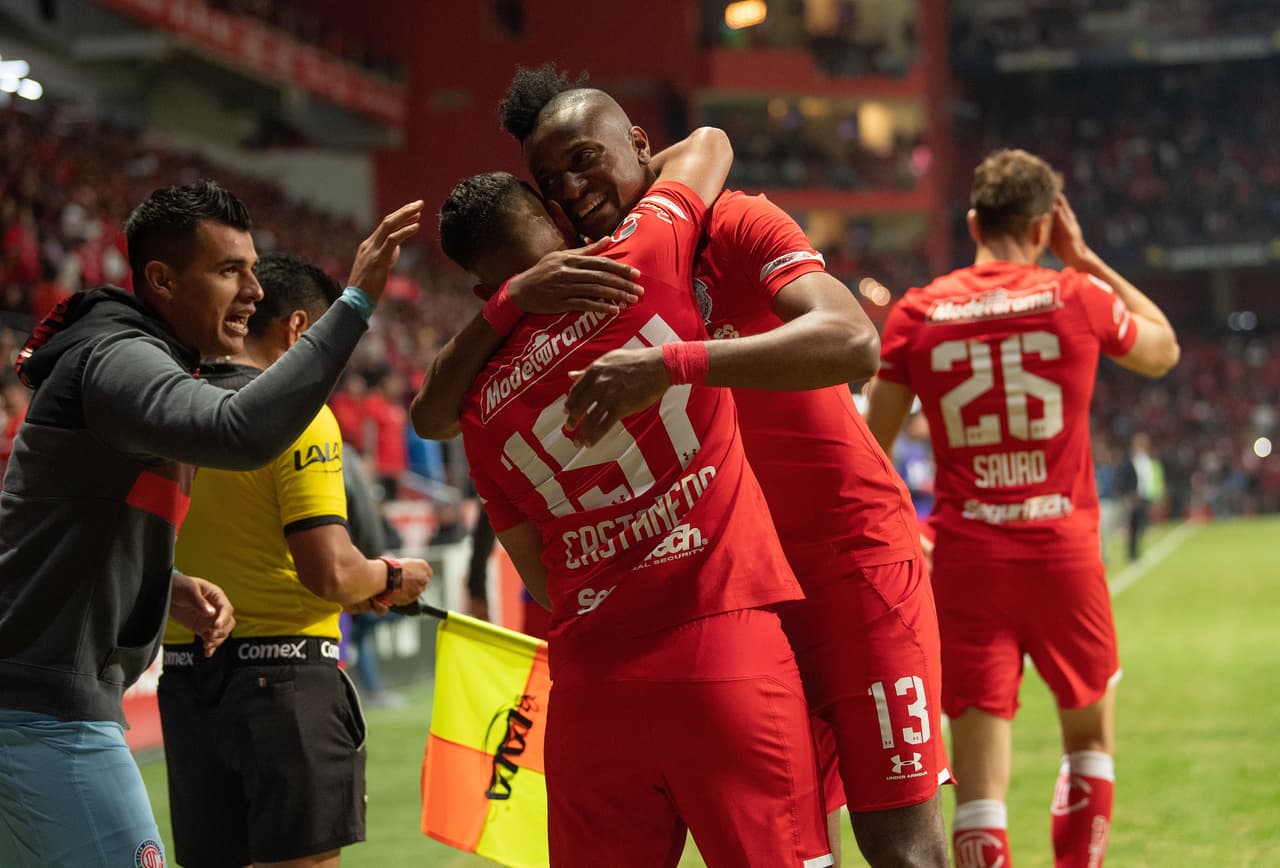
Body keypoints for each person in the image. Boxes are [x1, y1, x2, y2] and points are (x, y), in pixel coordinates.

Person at [427, 67, 949, 867]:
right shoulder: (585, 288)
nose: (572, 188)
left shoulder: (731, 222)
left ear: (642, 145)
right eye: (550, 181)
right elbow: (435, 410)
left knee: (902, 849)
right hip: (735, 600)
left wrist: (679, 361)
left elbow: (852, 340)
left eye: (585, 158)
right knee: (803, 842)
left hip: (848, 567)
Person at [0, 179, 422, 868]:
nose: (254, 291)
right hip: (46, 716)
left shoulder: (132, 366)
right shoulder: (118, 358)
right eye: (230, 271)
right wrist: (354, 303)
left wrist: (162, 585)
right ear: (162, 279)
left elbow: (53, 526)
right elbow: (238, 430)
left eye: (255, 271)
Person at [864, 149, 1180, 868]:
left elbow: (868, 451)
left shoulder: (917, 313)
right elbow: (1163, 348)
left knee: (978, 788)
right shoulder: (1076, 295)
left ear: (974, 221)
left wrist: (914, 532)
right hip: (1063, 555)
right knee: (1090, 744)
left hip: (967, 563)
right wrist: (1088, 257)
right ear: (1044, 228)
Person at [157, 252, 432, 868]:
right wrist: (394, 577)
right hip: (285, 685)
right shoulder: (300, 417)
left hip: (186, 681)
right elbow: (330, 573)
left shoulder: (171, 408)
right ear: (300, 329)